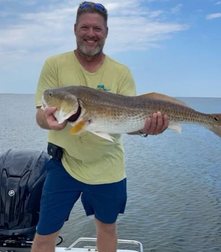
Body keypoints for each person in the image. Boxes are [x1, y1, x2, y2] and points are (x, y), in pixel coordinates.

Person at [32, 2, 169, 252]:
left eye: (97, 28)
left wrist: (146, 129)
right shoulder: (54, 64)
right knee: (43, 235)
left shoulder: (121, 72)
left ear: (106, 32)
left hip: (108, 167)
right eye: (85, 27)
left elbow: (129, 122)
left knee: (107, 228)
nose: (90, 33)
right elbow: (41, 114)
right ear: (75, 29)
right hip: (64, 165)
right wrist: (46, 120)